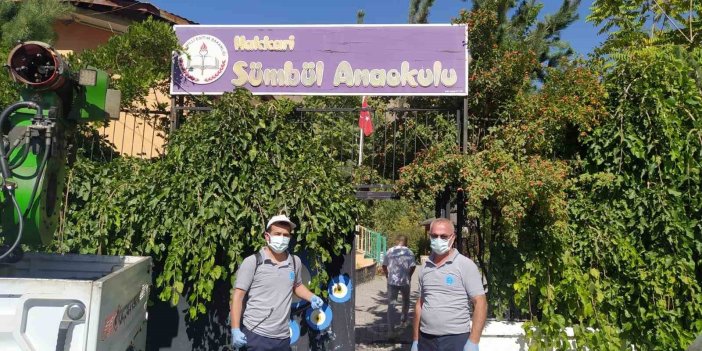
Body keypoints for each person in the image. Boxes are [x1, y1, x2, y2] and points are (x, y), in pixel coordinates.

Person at [230, 214, 324, 350]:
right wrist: (235, 329)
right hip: (256, 335)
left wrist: (312, 297)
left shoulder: (294, 261)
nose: (282, 238)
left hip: (283, 338)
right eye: (277, 233)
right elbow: (238, 296)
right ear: (267, 236)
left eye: (286, 235)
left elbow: (297, 285)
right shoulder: (253, 262)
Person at [411, 218, 487, 351]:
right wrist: (416, 340)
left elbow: (480, 303)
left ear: (453, 238)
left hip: (455, 339)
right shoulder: (424, 268)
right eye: (434, 236)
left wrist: (473, 341)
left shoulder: (465, 265)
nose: (438, 239)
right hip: (426, 339)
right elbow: (420, 304)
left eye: (443, 236)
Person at [382, 235, 416, 328]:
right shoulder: (409, 252)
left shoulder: (390, 251)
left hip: (392, 282)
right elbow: (413, 266)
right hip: (405, 281)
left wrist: (387, 275)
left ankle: (391, 328)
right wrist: (409, 276)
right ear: (406, 242)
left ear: (396, 241)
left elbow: (384, 265)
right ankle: (404, 321)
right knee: (406, 301)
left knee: (392, 305)